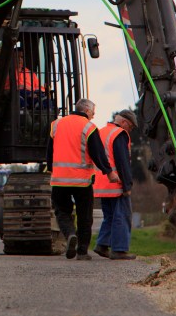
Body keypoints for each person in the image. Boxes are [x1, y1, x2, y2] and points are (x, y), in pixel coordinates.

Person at [46, 98, 118, 260]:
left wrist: (51, 169)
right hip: (82, 181)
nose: (94, 115)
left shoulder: (56, 125)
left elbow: (49, 151)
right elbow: (97, 153)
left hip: (59, 180)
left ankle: (71, 234)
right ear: (86, 111)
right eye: (93, 112)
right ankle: (82, 251)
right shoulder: (89, 127)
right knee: (85, 215)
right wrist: (109, 172)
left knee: (62, 212)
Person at [93, 109, 138, 260]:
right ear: (124, 122)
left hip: (101, 183)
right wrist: (127, 186)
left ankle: (102, 245)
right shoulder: (119, 134)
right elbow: (122, 162)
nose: (129, 131)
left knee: (110, 216)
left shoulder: (101, 132)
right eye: (130, 127)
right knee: (122, 216)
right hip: (116, 183)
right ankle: (119, 250)